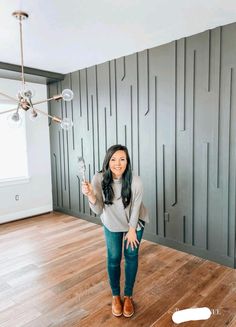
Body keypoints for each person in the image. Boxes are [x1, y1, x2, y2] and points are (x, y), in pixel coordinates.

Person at [82, 144, 149, 318]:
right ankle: (115, 296)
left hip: (134, 224)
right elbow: (98, 210)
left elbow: (135, 208)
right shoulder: (98, 179)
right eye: (113, 159)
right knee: (113, 259)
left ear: (127, 162)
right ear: (107, 161)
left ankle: (128, 296)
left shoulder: (136, 181)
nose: (118, 163)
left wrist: (132, 229)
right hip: (111, 223)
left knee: (131, 257)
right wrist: (90, 195)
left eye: (122, 159)